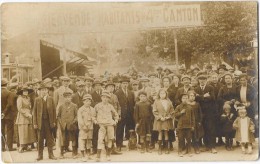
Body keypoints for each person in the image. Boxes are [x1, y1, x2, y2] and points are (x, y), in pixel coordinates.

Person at [194, 72, 217, 154]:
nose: (202, 81)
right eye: (200, 79)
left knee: (210, 129)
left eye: (204, 79)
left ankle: (212, 146)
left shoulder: (210, 87)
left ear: (206, 80)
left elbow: (212, 98)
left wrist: (200, 97)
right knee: (201, 128)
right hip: (199, 112)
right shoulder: (196, 88)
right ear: (198, 80)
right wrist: (204, 96)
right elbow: (195, 99)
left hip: (208, 112)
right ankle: (203, 146)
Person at [33, 84, 57, 161]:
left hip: (49, 122)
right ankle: (40, 155)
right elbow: (34, 112)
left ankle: (51, 154)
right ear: (39, 91)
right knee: (40, 139)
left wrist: (53, 121)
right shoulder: (37, 100)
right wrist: (35, 123)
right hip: (40, 123)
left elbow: (54, 111)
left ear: (47, 91)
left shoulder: (51, 99)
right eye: (42, 90)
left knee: (50, 139)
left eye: (45, 90)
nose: (44, 91)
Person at [94, 91, 119, 162]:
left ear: (108, 99)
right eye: (103, 97)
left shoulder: (110, 106)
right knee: (100, 139)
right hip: (101, 125)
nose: (105, 99)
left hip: (110, 124)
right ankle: (98, 156)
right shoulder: (97, 106)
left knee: (110, 139)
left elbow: (116, 114)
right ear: (101, 98)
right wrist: (95, 121)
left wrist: (115, 121)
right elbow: (93, 115)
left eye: (107, 98)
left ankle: (108, 155)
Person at [53, 76, 74, 153]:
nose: (66, 83)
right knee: (61, 130)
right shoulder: (57, 91)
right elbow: (55, 104)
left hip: (69, 112)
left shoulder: (71, 91)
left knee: (68, 130)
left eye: (67, 81)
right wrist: (56, 114)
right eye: (64, 81)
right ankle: (61, 147)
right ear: (62, 82)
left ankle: (67, 146)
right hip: (60, 112)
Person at [115, 76, 135, 152]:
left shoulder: (131, 93)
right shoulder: (117, 93)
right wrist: (118, 114)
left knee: (130, 129)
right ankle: (119, 145)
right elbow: (116, 105)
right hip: (121, 114)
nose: (125, 85)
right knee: (120, 129)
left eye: (126, 83)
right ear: (121, 84)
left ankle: (132, 144)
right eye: (123, 83)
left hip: (129, 114)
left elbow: (133, 104)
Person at [57, 90, 78, 159]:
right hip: (64, 126)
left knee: (73, 139)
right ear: (64, 98)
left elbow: (77, 116)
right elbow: (58, 116)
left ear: (71, 98)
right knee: (63, 139)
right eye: (66, 97)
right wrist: (61, 123)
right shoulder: (61, 106)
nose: (67, 99)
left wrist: (73, 122)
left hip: (72, 126)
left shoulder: (74, 106)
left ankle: (74, 153)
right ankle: (62, 153)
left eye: (69, 97)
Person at [152, 88, 174, 155]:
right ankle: (160, 148)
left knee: (166, 133)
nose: (162, 95)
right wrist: (159, 117)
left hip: (166, 120)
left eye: (164, 93)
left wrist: (168, 117)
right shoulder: (156, 101)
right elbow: (154, 111)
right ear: (159, 94)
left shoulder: (169, 101)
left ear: (166, 94)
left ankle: (167, 148)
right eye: (161, 93)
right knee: (160, 133)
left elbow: (172, 111)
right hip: (160, 120)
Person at [15, 86, 36, 153]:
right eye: (24, 91)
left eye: (26, 91)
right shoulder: (20, 98)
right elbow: (19, 109)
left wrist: (31, 113)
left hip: (29, 116)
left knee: (28, 132)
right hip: (22, 117)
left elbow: (30, 107)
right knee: (23, 132)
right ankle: (21, 146)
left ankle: (26, 146)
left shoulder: (28, 98)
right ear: (22, 92)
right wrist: (27, 114)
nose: (26, 92)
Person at [77, 94, 96, 162]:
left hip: (90, 127)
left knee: (89, 141)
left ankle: (88, 155)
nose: (88, 102)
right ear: (83, 101)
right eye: (86, 101)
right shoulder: (80, 109)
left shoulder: (92, 109)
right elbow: (80, 119)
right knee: (82, 141)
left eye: (89, 101)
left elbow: (93, 117)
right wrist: (84, 126)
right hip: (83, 128)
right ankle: (83, 155)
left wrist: (94, 122)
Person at [91, 79, 103, 154]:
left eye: (99, 85)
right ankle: (95, 148)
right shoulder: (92, 94)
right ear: (94, 87)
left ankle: (104, 148)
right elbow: (92, 104)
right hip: (96, 115)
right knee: (95, 132)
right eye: (96, 85)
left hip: (103, 115)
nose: (98, 87)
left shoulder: (104, 93)